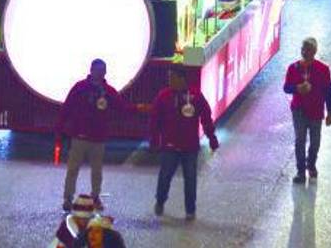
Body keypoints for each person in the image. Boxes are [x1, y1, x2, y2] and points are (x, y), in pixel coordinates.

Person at [55, 59, 140, 211]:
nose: (101, 73)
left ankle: (95, 196)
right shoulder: (80, 88)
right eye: (98, 70)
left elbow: (121, 106)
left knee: (97, 170)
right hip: (80, 135)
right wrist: (60, 128)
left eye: (103, 70)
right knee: (73, 168)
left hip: (98, 137)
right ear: (91, 70)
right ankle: (68, 198)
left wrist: (138, 108)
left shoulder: (108, 91)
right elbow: (67, 107)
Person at [149, 66, 218, 219]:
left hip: (190, 147)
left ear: (181, 79)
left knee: (190, 179)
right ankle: (160, 201)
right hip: (170, 145)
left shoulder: (195, 96)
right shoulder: (164, 96)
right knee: (165, 176)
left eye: (172, 78)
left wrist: (212, 138)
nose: (169, 81)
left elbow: (206, 117)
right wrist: (154, 139)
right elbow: (155, 119)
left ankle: (190, 210)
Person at [285, 37, 331, 178]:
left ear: (314, 51)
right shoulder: (293, 68)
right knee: (299, 140)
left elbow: (327, 92)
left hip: (316, 111)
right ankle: (300, 171)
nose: (304, 52)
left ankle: (311, 163)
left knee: (315, 142)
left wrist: (330, 112)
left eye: (307, 49)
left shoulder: (323, 69)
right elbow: (286, 88)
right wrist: (297, 88)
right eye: (302, 49)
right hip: (299, 110)